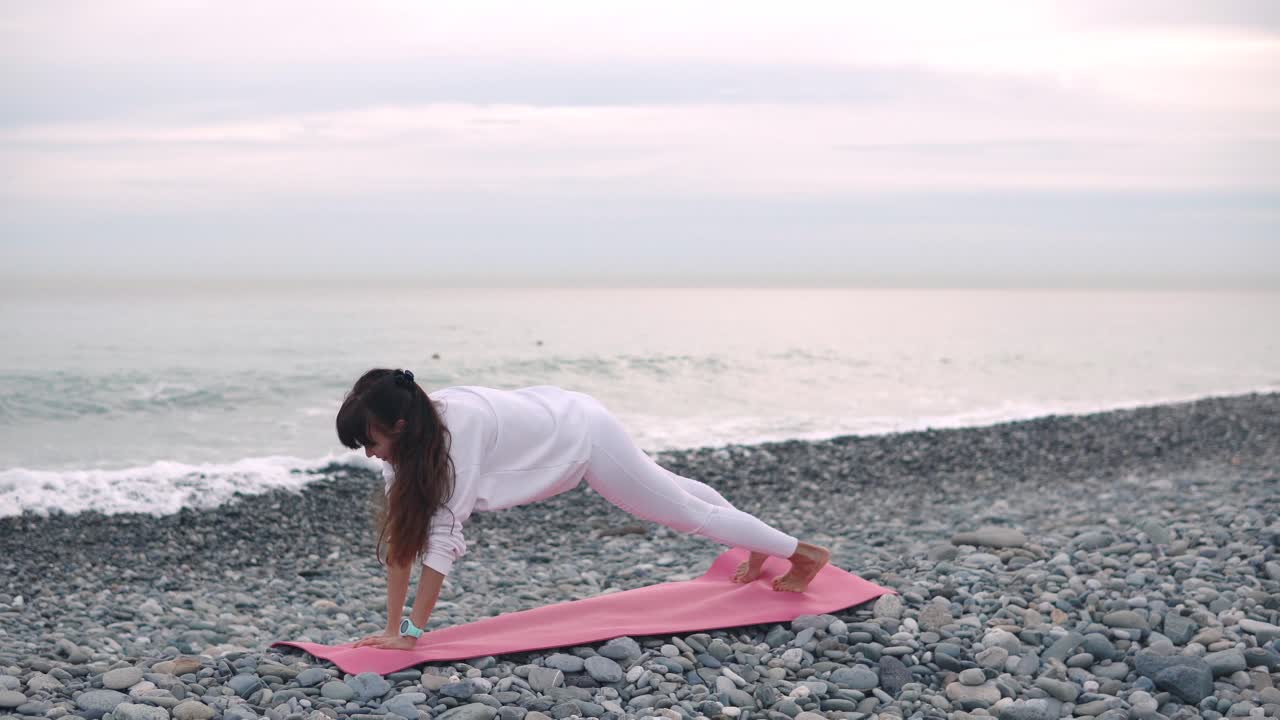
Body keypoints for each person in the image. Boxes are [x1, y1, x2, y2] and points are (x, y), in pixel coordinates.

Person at [339, 368, 830, 650]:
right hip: (562, 413)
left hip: (583, 439)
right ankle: (755, 544)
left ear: (400, 425)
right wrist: (390, 629)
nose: (369, 453)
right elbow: (405, 539)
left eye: (370, 441)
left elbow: (443, 535)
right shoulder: (406, 446)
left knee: (679, 510)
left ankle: (803, 555)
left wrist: (412, 634)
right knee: (674, 488)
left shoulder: (455, 432)